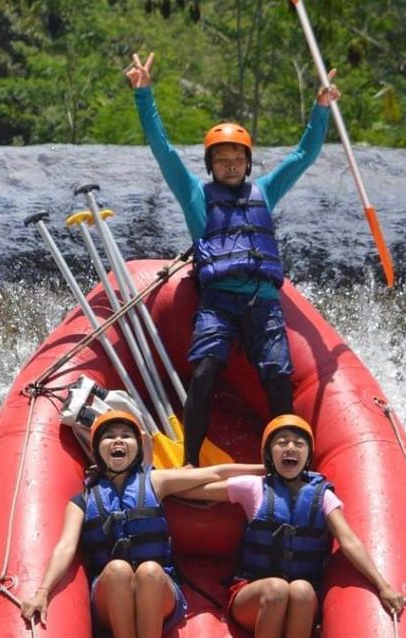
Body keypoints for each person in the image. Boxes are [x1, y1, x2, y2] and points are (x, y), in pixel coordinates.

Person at [124, 50, 341, 467]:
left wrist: (321, 109)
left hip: (263, 301)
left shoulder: (265, 191)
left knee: (277, 378)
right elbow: (163, 150)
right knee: (204, 374)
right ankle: (190, 462)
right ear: (210, 165)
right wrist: (144, 96)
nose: (229, 165)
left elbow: (302, 157)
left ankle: (288, 465)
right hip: (218, 302)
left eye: (237, 159)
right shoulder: (196, 197)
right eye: (221, 160)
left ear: (247, 163)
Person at [20, 409, 261, 638]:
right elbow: (66, 546)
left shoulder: (156, 481)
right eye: (109, 437)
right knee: (118, 569)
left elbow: (215, 474)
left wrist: (267, 469)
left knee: (148, 570)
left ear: (138, 447)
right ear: (98, 449)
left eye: (126, 436)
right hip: (110, 597)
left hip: (159, 593)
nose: (118, 441)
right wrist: (42, 591)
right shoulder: (84, 499)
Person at [181, 413, 406, 638]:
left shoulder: (323, 497)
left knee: (301, 590)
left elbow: (349, 542)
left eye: (299, 444)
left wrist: (383, 586)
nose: (290, 448)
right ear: (269, 454)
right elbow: (194, 490)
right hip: (251, 597)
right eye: (282, 443)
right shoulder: (254, 488)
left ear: (308, 455)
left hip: (299, 601)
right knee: (277, 589)